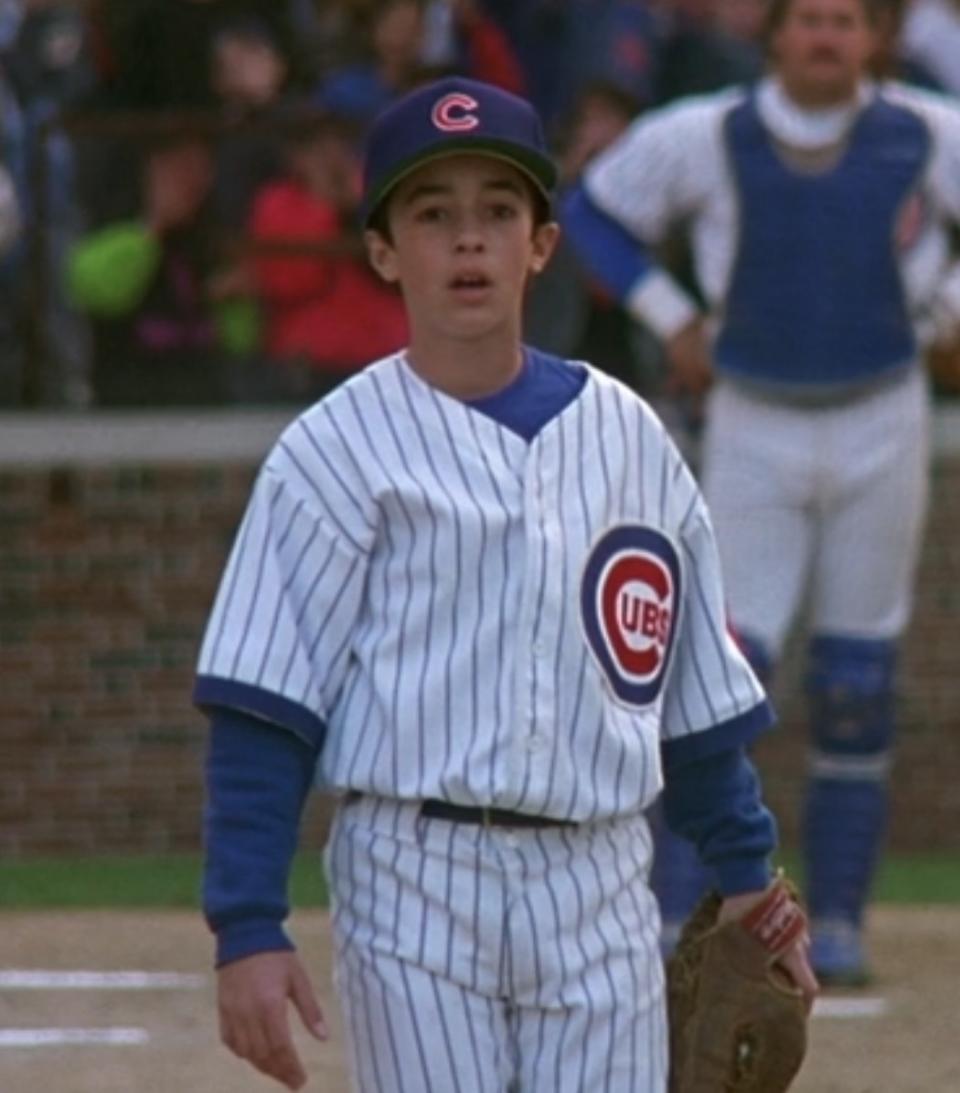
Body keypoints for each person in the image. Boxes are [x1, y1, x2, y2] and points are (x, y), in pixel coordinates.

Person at [195, 75, 816, 1092]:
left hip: (602, 874)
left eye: (498, 211)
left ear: (542, 243)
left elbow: (689, 701)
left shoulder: (629, 439)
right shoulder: (333, 454)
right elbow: (264, 708)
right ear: (385, 250)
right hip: (413, 873)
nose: (469, 240)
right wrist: (247, 926)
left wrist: (751, 882)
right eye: (434, 215)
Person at [562, 0, 960, 984]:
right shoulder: (708, 133)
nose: (828, 37)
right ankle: (680, 913)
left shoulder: (926, 131)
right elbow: (590, 209)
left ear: (872, 38)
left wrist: (947, 308)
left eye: (846, 20)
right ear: (774, 35)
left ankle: (839, 925)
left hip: (884, 414)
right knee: (719, 678)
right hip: (752, 421)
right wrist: (671, 316)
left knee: (855, 684)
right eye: (809, 19)